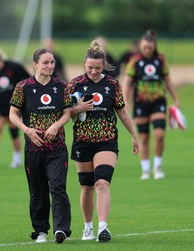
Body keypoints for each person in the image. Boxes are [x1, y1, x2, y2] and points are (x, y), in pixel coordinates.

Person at [69, 40, 139, 242]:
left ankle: (103, 227)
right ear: (84, 64)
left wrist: (134, 136)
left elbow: (123, 113)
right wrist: (77, 109)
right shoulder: (75, 84)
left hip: (106, 141)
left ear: (104, 67)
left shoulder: (112, 84)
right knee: (87, 187)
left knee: (102, 183)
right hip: (82, 141)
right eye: (90, 67)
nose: (93, 71)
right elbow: (65, 114)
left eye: (97, 68)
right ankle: (88, 227)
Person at [9, 48, 72, 244]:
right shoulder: (23, 87)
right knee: (38, 190)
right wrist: (26, 129)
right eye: (45, 62)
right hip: (34, 149)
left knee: (58, 187)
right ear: (35, 64)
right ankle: (41, 230)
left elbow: (68, 113)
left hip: (57, 148)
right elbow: (12, 114)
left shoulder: (62, 86)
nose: (50, 66)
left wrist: (56, 125)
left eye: (52, 62)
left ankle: (61, 229)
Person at [123, 29, 179, 180]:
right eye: (144, 47)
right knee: (144, 137)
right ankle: (146, 169)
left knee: (159, 135)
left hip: (158, 101)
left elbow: (167, 79)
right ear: (141, 46)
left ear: (154, 46)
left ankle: (158, 166)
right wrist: (125, 100)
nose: (147, 50)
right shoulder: (135, 61)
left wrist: (175, 98)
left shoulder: (160, 59)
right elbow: (127, 81)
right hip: (141, 103)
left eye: (150, 47)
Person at [0, 47, 30, 168]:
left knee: (14, 132)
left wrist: (22, 99)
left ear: (0, 61)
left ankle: (16, 159)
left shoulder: (13, 67)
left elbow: (28, 79)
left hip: (14, 108)